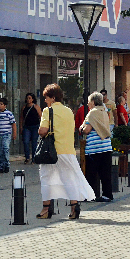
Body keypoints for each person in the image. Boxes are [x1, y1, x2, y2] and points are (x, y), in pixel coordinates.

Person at [36, 83, 94, 220]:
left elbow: (43, 131)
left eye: (46, 97)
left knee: (46, 178)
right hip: (68, 150)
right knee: (70, 179)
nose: (45, 100)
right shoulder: (69, 111)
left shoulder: (47, 111)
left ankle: (46, 209)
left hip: (52, 151)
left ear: (53, 98)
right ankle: (74, 207)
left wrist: (41, 132)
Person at [80, 92, 113, 202]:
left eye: (89, 101)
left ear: (93, 102)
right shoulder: (104, 111)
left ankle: (90, 196)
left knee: (91, 174)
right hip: (106, 147)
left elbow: (87, 130)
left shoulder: (92, 113)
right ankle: (107, 195)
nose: (88, 104)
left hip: (95, 149)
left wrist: (81, 129)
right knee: (105, 173)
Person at [0, 98, 17, 174]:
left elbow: (13, 124)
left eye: (1, 104)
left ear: (5, 105)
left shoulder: (9, 114)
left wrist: (14, 133)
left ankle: (6, 165)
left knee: (5, 148)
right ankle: (0, 166)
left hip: (6, 134)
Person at [22, 93, 43, 164]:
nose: (28, 100)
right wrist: (21, 127)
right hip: (27, 127)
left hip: (35, 126)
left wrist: (41, 127)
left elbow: (41, 117)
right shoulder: (24, 108)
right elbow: (22, 118)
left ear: (33, 99)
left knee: (34, 143)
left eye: (30, 98)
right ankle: (27, 157)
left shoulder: (36, 107)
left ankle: (34, 158)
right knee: (26, 142)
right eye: (27, 98)